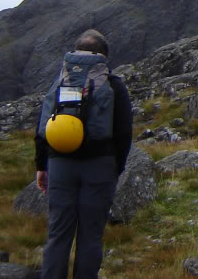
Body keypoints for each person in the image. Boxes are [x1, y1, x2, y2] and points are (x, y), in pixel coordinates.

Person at [35, 29, 133, 279]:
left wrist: (42, 166)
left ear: (76, 50)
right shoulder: (113, 85)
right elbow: (123, 132)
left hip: (60, 164)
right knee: (90, 236)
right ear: (104, 56)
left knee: (58, 234)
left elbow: (43, 127)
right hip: (100, 166)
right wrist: (116, 168)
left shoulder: (60, 82)